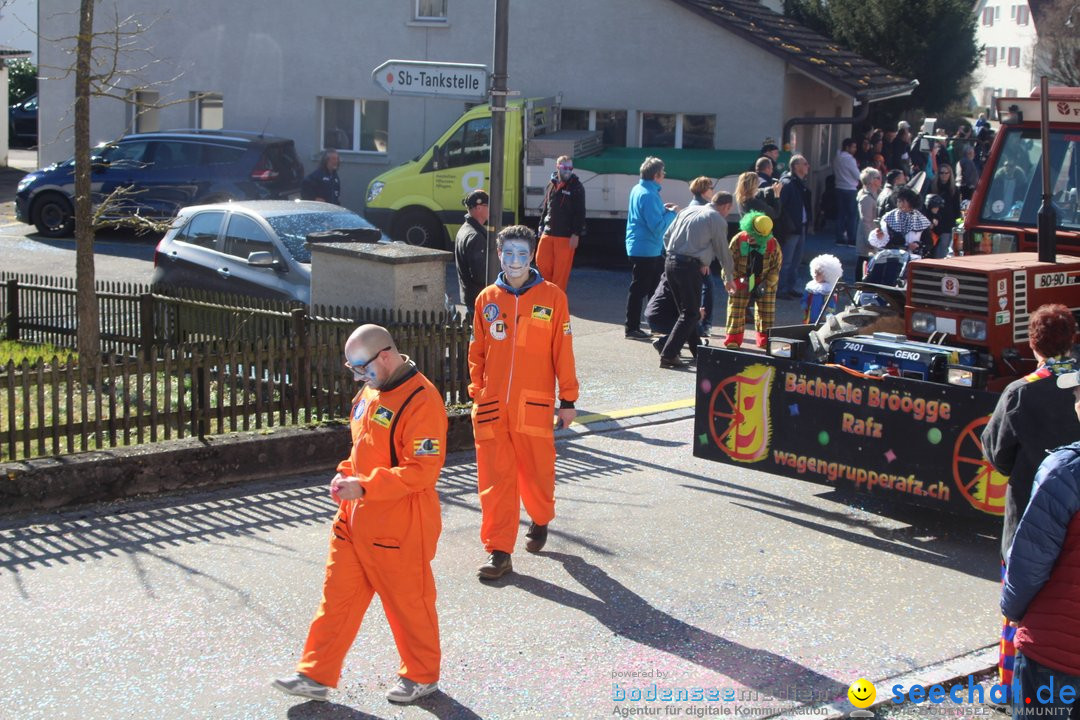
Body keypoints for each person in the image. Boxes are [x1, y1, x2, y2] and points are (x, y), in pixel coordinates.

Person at [273, 324, 448, 705]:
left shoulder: (423, 400)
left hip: (400, 523)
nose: (357, 376)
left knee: (408, 604)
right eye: (351, 368)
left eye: (360, 368)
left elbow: (423, 470)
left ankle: (421, 676)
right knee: (337, 599)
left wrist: (365, 485)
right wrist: (344, 473)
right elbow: (361, 447)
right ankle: (315, 674)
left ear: (385, 356)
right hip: (354, 518)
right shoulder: (371, 388)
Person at [468, 225, 579, 580]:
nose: (515, 261)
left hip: (535, 404)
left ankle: (541, 517)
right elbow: (477, 352)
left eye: (522, 254)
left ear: (532, 255)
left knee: (537, 473)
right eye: (508, 254)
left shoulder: (553, 297)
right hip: (491, 406)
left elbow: (563, 352)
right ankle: (499, 550)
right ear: (499, 255)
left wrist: (569, 398)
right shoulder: (486, 299)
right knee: (495, 480)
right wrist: (477, 391)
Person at [982, 304, 1080, 697]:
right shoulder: (1075, 383)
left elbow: (996, 454)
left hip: (1028, 515)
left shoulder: (1021, 391)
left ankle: (1010, 687)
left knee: (1018, 606)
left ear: (1032, 343)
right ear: (1072, 339)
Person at [1000, 368, 1080, 720]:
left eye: (1079, 397)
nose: (1076, 404)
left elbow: (1030, 561)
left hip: (1056, 655)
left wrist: (1013, 611)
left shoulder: (1067, 470)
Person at [658, 189, 737, 369]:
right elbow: (722, 250)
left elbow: (666, 236)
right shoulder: (716, 218)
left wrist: (675, 254)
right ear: (726, 206)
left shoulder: (687, 210)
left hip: (671, 263)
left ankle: (698, 351)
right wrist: (729, 277)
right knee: (691, 313)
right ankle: (668, 354)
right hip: (688, 267)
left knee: (687, 312)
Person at [624, 156, 678, 339]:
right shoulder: (648, 194)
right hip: (646, 248)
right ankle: (632, 328)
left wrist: (663, 209)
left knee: (653, 288)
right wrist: (671, 214)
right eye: (663, 173)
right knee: (640, 290)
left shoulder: (639, 189)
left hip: (643, 247)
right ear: (656, 175)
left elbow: (647, 216)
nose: (664, 176)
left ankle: (653, 324)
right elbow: (657, 227)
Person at [724, 211, 781, 349]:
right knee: (735, 309)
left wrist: (767, 283)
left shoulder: (773, 243)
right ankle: (733, 339)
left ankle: (764, 340)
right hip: (741, 278)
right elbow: (727, 262)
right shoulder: (738, 239)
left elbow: (776, 266)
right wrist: (732, 278)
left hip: (764, 280)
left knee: (766, 312)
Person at [536, 155, 586, 293]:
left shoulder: (577, 187)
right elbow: (546, 207)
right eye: (565, 168)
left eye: (570, 168)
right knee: (541, 261)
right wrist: (541, 224)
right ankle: (548, 293)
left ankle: (556, 301)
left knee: (561, 273)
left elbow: (580, 212)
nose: (568, 171)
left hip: (565, 236)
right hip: (548, 232)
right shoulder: (551, 184)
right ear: (558, 167)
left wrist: (576, 234)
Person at [776, 154, 811, 300]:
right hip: (791, 229)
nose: (808, 166)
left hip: (800, 226)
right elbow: (780, 207)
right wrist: (787, 225)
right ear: (796, 166)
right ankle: (781, 289)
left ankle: (790, 287)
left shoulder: (799, 183)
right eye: (805, 163)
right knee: (786, 260)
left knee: (796, 260)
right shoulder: (788, 183)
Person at [454, 189, 489, 313]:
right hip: (478, 299)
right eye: (487, 205)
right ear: (479, 208)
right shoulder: (475, 236)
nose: (490, 209)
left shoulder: (464, 229)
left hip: (469, 296)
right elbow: (480, 275)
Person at [878, 187, 932, 256]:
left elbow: (929, 243)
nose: (900, 204)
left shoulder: (921, 219)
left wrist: (918, 246)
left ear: (911, 202)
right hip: (893, 258)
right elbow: (885, 243)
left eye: (903, 201)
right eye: (898, 201)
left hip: (914, 259)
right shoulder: (889, 218)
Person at [833, 138, 861, 247]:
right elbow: (857, 175)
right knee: (852, 216)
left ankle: (839, 238)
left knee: (840, 214)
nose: (855, 149)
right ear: (847, 147)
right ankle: (851, 239)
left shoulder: (837, 157)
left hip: (839, 187)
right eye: (853, 147)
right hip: (850, 189)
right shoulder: (850, 159)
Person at [856, 167, 882, 282]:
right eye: (878, 178)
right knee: (863, 265)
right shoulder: (866, 198)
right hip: (867, 240)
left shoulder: (874, 195)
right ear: (871, 180)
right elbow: (866, 221)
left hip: (873, 237)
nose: (881, 180)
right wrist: (870, 241)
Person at [800, 253, 842, 324]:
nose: (816, 275)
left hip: (821, 318)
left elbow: (831, 304)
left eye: (819, 274)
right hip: (809, 315)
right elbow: (805, 297)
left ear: (827, 274)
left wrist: (826, 314)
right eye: (815, 272)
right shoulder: (811, 285)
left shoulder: (828, 289)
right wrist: (804, 304)